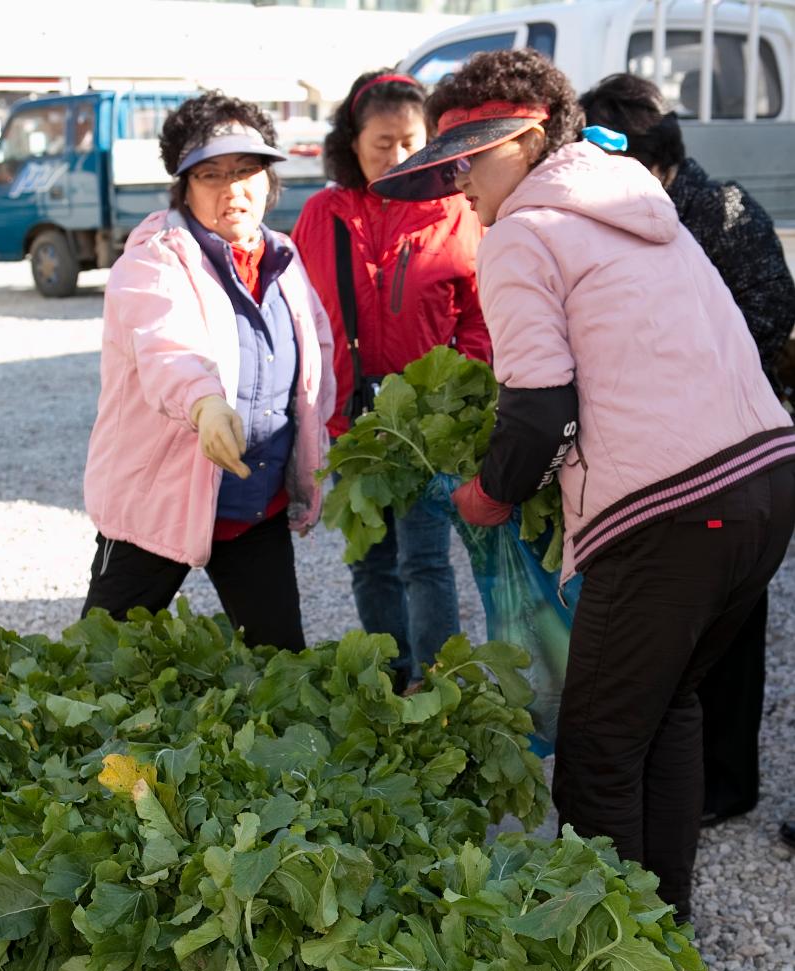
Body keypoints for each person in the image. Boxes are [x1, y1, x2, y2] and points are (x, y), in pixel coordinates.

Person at [372, 48, 795, 921]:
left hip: (672, 514)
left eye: (468, 162)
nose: (459, 190)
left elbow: (537, 408)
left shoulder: (525, 231)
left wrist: (490, 493)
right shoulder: (634, 201)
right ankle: (663, 938)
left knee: (599, 752)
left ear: (524, 142)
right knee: (668, 709)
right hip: (764, 483)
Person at [578, 73, 795, 827]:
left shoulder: (724, 210)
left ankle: (726, 784)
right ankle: (677, 776)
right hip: (663, 459)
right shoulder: (618, 216)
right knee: (670, 648)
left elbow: (766, 319)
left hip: (729, 449)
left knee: (728, 641)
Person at [82, 93, 335, 650]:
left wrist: (321, 441)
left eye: (247, 171)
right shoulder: (153, 260)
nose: (232, 189)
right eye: (211, 174)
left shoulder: (284, 257)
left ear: (269, 179)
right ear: (184, 186)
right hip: (159, 503)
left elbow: (314, 362)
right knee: (93, 669)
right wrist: (205, 402)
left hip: (253, 503)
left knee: (282, 668)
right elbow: (164, 343)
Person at [292, 69, 491, 693]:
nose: (399, 156)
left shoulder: (457, 211)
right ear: (351, 142)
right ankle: (387, 674)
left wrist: (462, 389)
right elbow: (294, 307)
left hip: (424, 424)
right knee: (369, 559)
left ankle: (436, 684)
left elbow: (482, 317)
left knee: (424, 559)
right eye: (382, 143)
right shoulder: (324, 212)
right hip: (349, 420)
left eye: (411, 141)